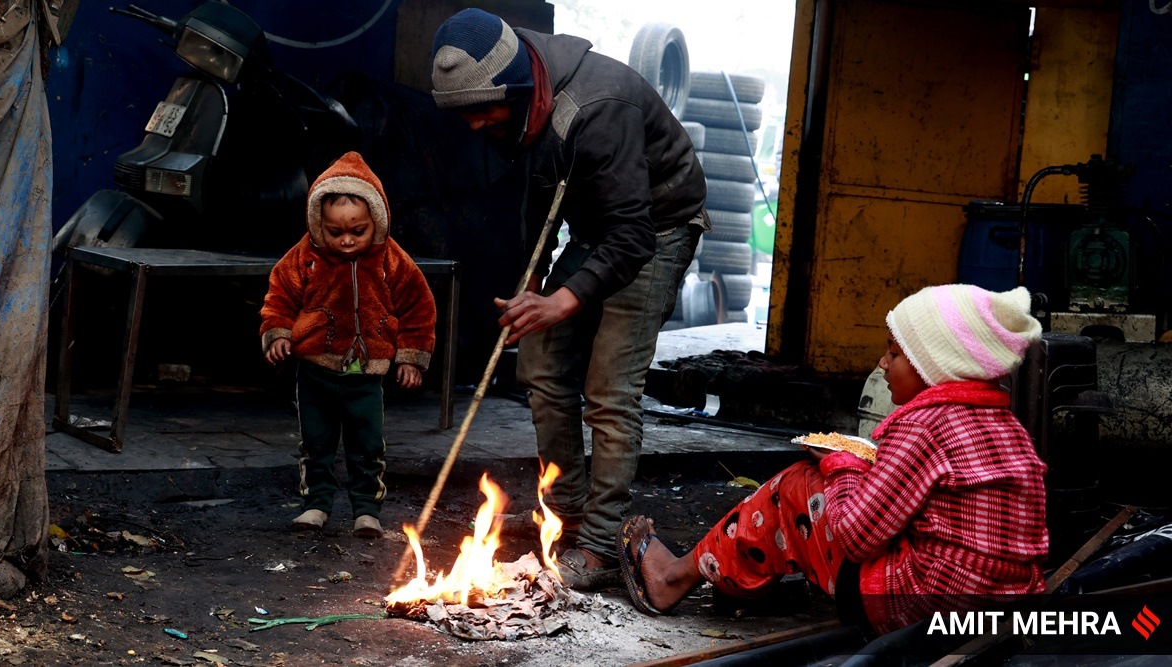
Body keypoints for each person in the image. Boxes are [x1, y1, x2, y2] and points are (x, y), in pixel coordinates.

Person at [430, 8, 709, 590]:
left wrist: (566, 300)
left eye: (484, 112)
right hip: (595, 227)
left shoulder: (597, 108)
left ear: (518, 87)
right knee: (539, 365)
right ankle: (567, 513)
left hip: (655, 228)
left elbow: (631, 234)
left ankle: (605, 543)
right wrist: (534, 282)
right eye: (466, 117)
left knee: (609, 387)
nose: (477, 125)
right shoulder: (517, 90)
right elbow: (538, 198)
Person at [617, 284, 1049, 635]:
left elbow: (856, 537)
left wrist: (839, 462)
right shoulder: (1006, 427)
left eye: (895, 353)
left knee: (797, 487)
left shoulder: (924, 425)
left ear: (934, 367)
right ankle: (743, 582)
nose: (882, 363)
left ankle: (672, 579)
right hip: (1005, 609)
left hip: (920, 612)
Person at [260, 151, 437, 538]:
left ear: (377, 220)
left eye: (358, 231)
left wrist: (411, 358)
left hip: (366, 376)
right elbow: (280, 297)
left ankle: (366, 510)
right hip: (315, 371)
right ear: (317, 223)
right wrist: (278, 333)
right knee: (316, 443)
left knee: (367, 445)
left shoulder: (394, 262)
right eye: (334, 231)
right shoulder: (304, 257)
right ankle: (316, 505)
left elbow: (418, 309)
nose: (346, 241)